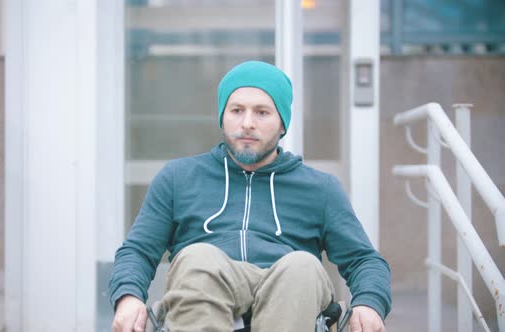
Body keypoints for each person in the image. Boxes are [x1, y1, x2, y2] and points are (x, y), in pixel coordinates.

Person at [109, 61, 391, 332]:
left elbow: (365, 260)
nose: (247, 123)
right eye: (236, 110)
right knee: (197, 257)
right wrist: (128, 297)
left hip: (289, 288)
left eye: (262, 112)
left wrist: (369, 303)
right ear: (223, 116)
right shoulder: (178, 178)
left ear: (282, 123)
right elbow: (138, 251)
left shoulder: (321, 188)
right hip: (205, 286)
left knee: (302, 265)